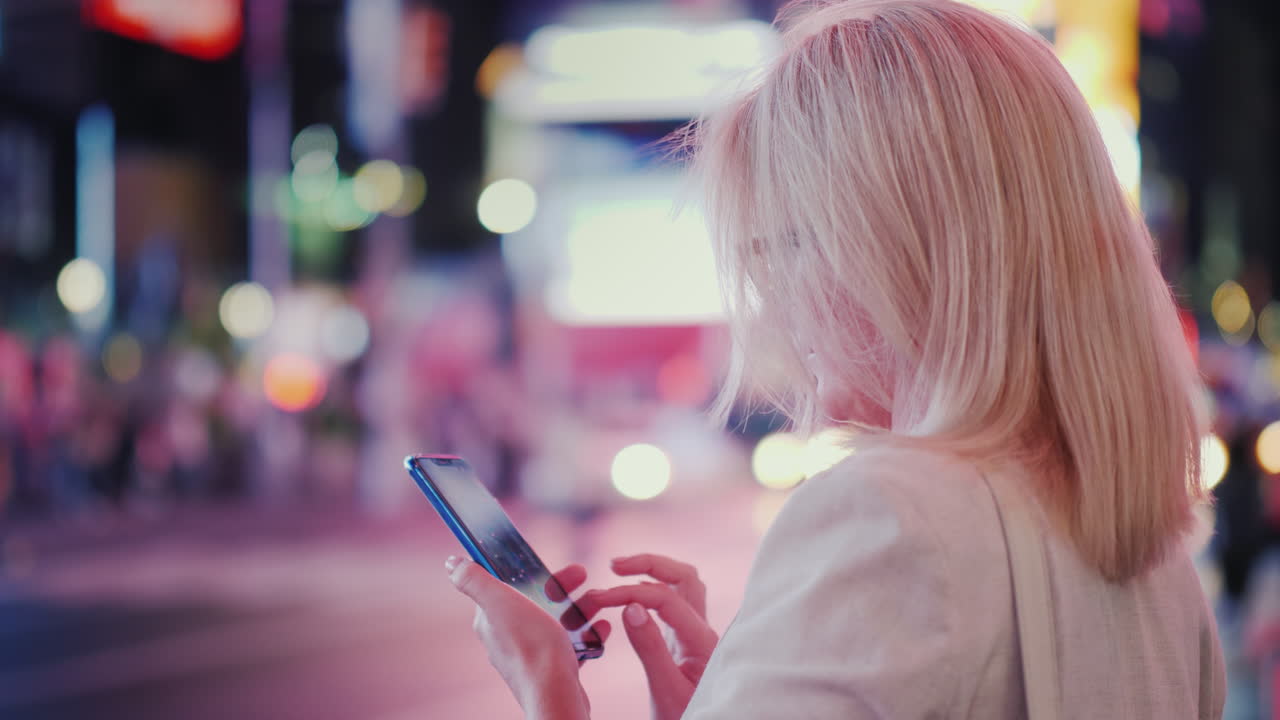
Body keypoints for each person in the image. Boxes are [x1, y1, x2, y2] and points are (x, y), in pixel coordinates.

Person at [443, 0, 1227, 717]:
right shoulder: (1159, 562)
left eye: (778, 244)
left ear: (890, 246)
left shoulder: (892, 512)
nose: (771, 297)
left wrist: (549, 691)